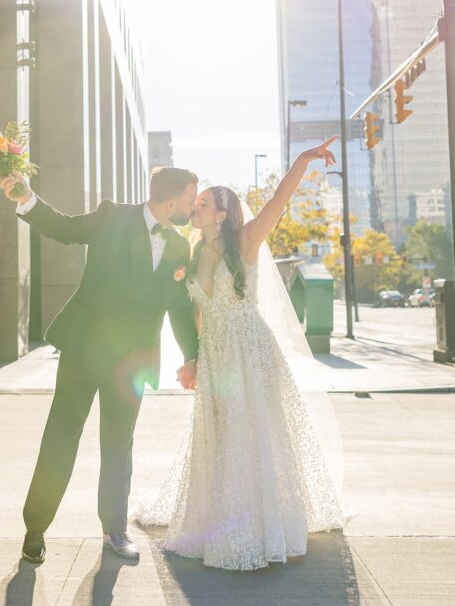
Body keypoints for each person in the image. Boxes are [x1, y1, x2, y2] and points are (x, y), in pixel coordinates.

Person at [133, 137, 345, 571]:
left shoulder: (246, 241)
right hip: (215, 354)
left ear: (223, 213)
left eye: (204, 202)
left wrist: (303, 161)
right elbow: (193, 314)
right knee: (220, 435)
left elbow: (278, 203)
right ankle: (216, 517)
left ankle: (258, 523)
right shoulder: (190, 254)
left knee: (254, 433)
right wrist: (192, 359)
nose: (195, 207)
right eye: (197, 202)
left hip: (250, 350)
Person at [0, 166, 200, 565]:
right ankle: (35, 529)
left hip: (135, 361)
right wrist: (26, 198)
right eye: (191, 201)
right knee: (61, 436)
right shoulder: (113, 217)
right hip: (84, 348)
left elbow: (178, 305)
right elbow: (64, 228)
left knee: (118, 446)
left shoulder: (179, 247)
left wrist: (191, 354)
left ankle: (115, 530)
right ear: (171, 200)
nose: (193, 209)